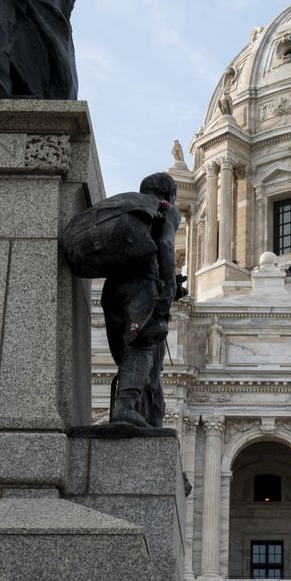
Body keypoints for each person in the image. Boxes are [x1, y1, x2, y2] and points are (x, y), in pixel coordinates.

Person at [100, 173, 180, 427]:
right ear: (170, 194)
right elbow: (165, 246)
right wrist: (170, 288)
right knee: (143, 345)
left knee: (128, 355)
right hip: (143, 289)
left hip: (112, 291)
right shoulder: (165, 209)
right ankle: (126, 406)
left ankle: (137, 411)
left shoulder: (130, 207)